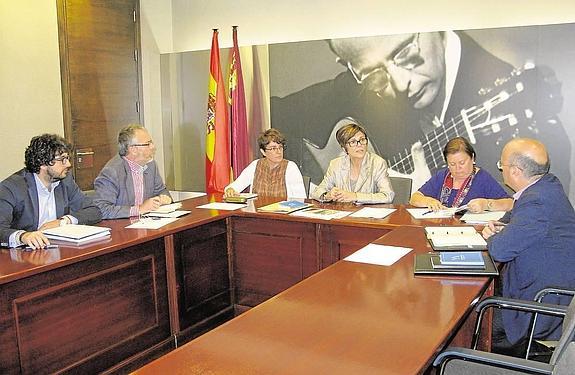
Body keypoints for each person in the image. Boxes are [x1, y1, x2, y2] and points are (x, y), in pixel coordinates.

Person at [270, 30, 571, 196]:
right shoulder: (355, 86)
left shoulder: (528, 122)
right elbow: (274, 110)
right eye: (375, 76)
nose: (400, 84)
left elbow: (530, 220)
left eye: (405, 54)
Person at [482, 138, 575, 355]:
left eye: (501, 165)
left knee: (472, 317)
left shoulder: (537, 202)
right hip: (551, 286)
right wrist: (504, 228)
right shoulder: (547, 185)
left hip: (542, 303)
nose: (501, 169)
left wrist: (491, 236)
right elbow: (514, 217)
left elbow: (499, 250)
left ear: (515, 171)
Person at [0, 134, 102, 249]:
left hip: (59, 250)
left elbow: (94, 211)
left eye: (67, 158)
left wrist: (63, 221)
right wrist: (23, 236)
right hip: (23, 257)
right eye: (62, 159)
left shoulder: (65, 181)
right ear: (43, 163)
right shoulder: (12, 187)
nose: (68, 164)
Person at [410, 137, 513, 212]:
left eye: (462, 163)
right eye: (452, 164)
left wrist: (487, 204)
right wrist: (428, 201)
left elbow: (510, 204)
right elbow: (415, 198)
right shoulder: (442, 176)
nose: (457, 168)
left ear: (472, 158)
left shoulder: (482, 178)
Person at [94, 124, 172, 219]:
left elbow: (162, 191)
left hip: (148, 224)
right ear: (133, 149)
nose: (153, 147)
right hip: (121, 229)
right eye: (148, 144)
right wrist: (139, 209)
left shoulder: (151, 165)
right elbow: (101, 210)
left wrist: (163, 198)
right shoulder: (112, 172)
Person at [311, 123, 394, 203]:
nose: (359, 145)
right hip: (343, 214)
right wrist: (328, 195)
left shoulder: (377, 163)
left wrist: (355, 196)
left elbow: (387, 195)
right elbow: (317, 192)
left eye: (362, 140)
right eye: (353, 142)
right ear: (344, 148)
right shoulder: (336, 164)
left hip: (367, 215)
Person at [224, 128, 306, 198]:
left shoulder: (291, 167)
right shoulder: (255, 165)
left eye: (280, 147)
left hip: (282, 215)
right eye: (273, 148)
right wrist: (230, 190)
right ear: (263, 152)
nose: (278, 152)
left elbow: (301, 199)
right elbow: (235, 186)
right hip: (257, 214)